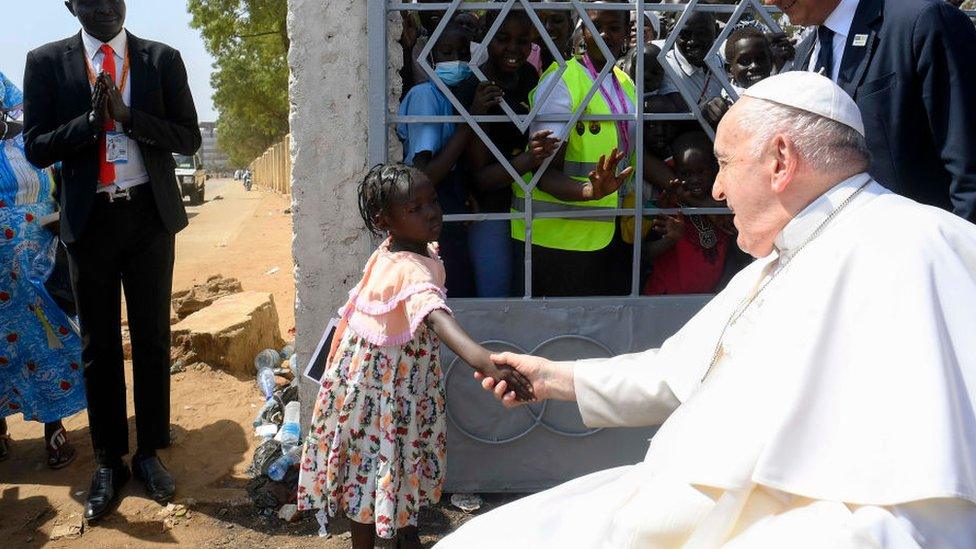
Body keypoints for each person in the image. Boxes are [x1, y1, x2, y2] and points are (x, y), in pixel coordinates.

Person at [438, 71, 976, 547]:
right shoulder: (778, 259)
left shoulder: (923, 245)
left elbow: (917, 500)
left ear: (782, 161)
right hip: (683, 505)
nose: (715, 189)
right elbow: (679, 370)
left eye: (724, 163)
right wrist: (554, 378)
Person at [23, 0, 201, 522]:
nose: (107, 8)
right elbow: (35, 147)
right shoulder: (46, 62)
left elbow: (188, 137)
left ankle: (148, 453)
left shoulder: (160, 60)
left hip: (148, 217)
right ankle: (108, 460)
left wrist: (129, 118)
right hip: (89, 221)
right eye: (93, 0)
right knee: (98, 344)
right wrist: (90, 124)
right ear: (71, 6)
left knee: (151, 339)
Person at [296, 164, 533, 549]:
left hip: (389, 384)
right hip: (380, 392)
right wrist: (487, 362)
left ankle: (406, 532)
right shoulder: (410, 269)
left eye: (432, 201)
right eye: (415, 208)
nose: (431, 212)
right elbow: (437, 319)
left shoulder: (402, 249)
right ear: (383, 220)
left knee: (397, 458)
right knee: (373, 467)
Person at [772, 0, 976, 222]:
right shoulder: (806, 53)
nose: (769, 1)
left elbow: (968, 164)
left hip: (924, 246)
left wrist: (962, 250)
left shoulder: (921, 23)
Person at [514, 2, 637, 297]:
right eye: (595, 26)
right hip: (555, 240)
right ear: (582, 30)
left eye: (614, 28)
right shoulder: (562, 80)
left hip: (605, 232)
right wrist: (589, 192)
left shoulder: (623, 80)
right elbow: (541, 171)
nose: (604, 35)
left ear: (626, 35)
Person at [0, 71, 85, 469]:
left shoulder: (24, 111)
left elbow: (58, 164)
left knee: (47, 335)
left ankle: (53, 427)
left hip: (35, 254)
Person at [456, 10, 559, 297]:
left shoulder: (528, 75)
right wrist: (529, 158)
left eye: (523, 41)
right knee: (496, 295)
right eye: (503, 39)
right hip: (492, 209)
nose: (513, 49)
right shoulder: (473, 86)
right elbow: (481, 178)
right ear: (487, 37)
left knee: (528, 290)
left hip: (529, 203)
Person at [397, 20, 501, 297]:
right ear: (431, 58)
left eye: (462, 53)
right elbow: (425, 175)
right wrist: (472, 118)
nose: (455, 60)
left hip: (449, 203)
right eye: (445, 53)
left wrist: (463, 191)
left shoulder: (450, 97)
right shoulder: (426, 96)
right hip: (428, 210)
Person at [642, 131, 733, 295]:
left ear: (713, 170)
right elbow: (644, 254)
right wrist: (671, 239)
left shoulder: (724, 202)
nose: (694, 179)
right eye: (686, 174)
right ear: (673, 170)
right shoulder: (667, 203)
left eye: (701, 172)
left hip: (709, 298)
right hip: (664, 298)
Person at [701, 26, 775, 129]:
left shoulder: (782, 95)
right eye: (744, 61)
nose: (754, 66)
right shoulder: (726, 105)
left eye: (760, 59)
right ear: (729, 69)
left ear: (771, 62)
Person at [657, 11, 723, 109]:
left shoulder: (725, 61)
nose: (693, 41)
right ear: (673, 33)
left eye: (702, 33)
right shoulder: (666, 67)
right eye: (684, 34)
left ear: (716, 31)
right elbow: (683, 116)